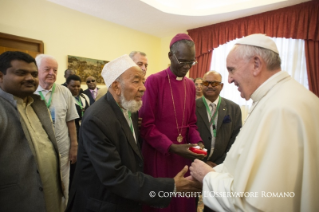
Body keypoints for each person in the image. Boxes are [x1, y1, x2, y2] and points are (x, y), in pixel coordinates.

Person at [190, 34, 319, 212]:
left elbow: (256, 203)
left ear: (256, 64)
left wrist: (207, 177)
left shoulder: (280, 109)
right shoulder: (280, 97)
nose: (229, 79)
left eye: (232, 70)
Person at [66, 54, 201, 212]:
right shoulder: (97, 120)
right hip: (101, 203)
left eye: (143, 81)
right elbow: (115, 176)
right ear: (116, 87)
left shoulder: (131, 107)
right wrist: (170, 186)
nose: (143, 87)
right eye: (136, 81)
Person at [139, 33, 206, 212]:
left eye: (191, 62)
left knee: (182, 202)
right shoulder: (154, 81)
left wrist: (198, 142)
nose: (187, 67)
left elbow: (191, 123)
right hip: (159, 154)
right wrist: (172, 147)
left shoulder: (190, 85)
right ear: (171, 56)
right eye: (183, 61)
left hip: (182, 156)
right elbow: (146, 126)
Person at [0, 51, 64, 212]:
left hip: (50, 198)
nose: (30, 78)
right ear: (1, 77)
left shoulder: (37, 104)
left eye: (34, 74)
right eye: (21, 73)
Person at [34, 54, 79, 208]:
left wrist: (74, 145)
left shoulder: (64, 92)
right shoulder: (29, 91)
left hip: (63, 150)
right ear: (37, 70)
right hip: (38, 153)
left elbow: (71, 120)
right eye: (47, 69)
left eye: (55, 69)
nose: (52, 73)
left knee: (63, 188)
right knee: (42, 189)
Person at [196, 71, 242, 212]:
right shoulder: (191, 106)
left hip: (223, 165)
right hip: (197, 164)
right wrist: (202, 162)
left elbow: (236, 138)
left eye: (214, 83)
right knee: (190, 200)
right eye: (206, 83)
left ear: (221, 86)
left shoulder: (233, 108)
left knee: (216, 204)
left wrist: (220, 163)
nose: (209, 86)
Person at [66, 74, 90, 189]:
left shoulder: (84, 97)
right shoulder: (66, 99)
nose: (76, 89)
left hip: (85, 131)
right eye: (73, 86)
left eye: (78, 86)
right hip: (73, 132)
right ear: (67, 86)